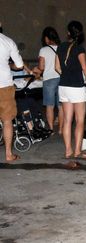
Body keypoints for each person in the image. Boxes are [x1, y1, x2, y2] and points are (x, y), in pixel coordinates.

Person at [55, 21, 86, 160]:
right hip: (76, 87)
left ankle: (68, 151)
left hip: (63, 86)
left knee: (67, 120)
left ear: (68, 33)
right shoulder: (79, 48)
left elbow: (57, 67)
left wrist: (66, 75)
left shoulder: (60, 46)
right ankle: (77, 151)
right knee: (80, 120)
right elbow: (84, 68)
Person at [0, 31, 24, 162]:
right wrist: (9, 65)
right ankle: (8, 154)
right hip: (4, 85)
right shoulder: (8, 41)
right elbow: (19, 65)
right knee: (7, 120)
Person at [35, 27, 63, 135]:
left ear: (46, 38)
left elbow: (41, 67)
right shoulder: (62, 48)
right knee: (61, 106)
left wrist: (34, 70)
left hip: (49, 80)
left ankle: (51, 130)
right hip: (61, 78)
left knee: (49, 106)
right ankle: (61, 129)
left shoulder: (43, 50)